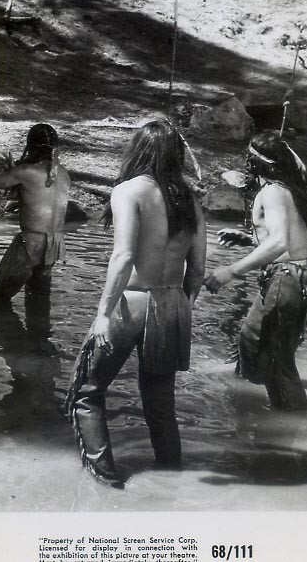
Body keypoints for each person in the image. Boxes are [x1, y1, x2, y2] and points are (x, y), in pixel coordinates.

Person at [65, 121, 206, 489]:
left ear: (137, 151)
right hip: (173, 303)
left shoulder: (129, 191)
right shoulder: (190, 199)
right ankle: (170, 483)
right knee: (160, 407)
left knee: (86, 392)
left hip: (132, 302)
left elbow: (124, 255)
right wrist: (177, 307)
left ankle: (105, 482)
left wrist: (102, 313)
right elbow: (198, 270)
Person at [204, 131, 307, 411]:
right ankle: (262, 419)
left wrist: (232, 270)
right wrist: (248, 239)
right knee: (266, 353)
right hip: (295, 278)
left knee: (274, 360)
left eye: (248, 158)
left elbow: (281, 241)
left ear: (257, 163)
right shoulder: (289, 188)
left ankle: (288, 434)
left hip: (286, 280)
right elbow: (289, 239)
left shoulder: (272, 192)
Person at [0, 124, 71, 320]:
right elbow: (36, 198)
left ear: (31, 145)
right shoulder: (63, 173)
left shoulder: (26, 171)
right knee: (38, 299)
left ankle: (13, 346)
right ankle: (39, 344)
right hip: (54, 244)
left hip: (31, 243)